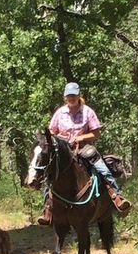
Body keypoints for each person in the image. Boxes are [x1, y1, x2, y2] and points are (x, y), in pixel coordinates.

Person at [38, 82, 132, 225]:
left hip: (83, 147)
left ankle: (116, 196)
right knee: (49, 172)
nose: (71, 98)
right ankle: (47, 208)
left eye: (74, 95)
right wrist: (59, 138)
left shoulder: (88, 112)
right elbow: (51, 131)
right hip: (64, 150)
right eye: (69, 96)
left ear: (79, 96)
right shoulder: (60, 113)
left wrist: (80, 138)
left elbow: (96, 133)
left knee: (101, 167)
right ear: (65, 97)